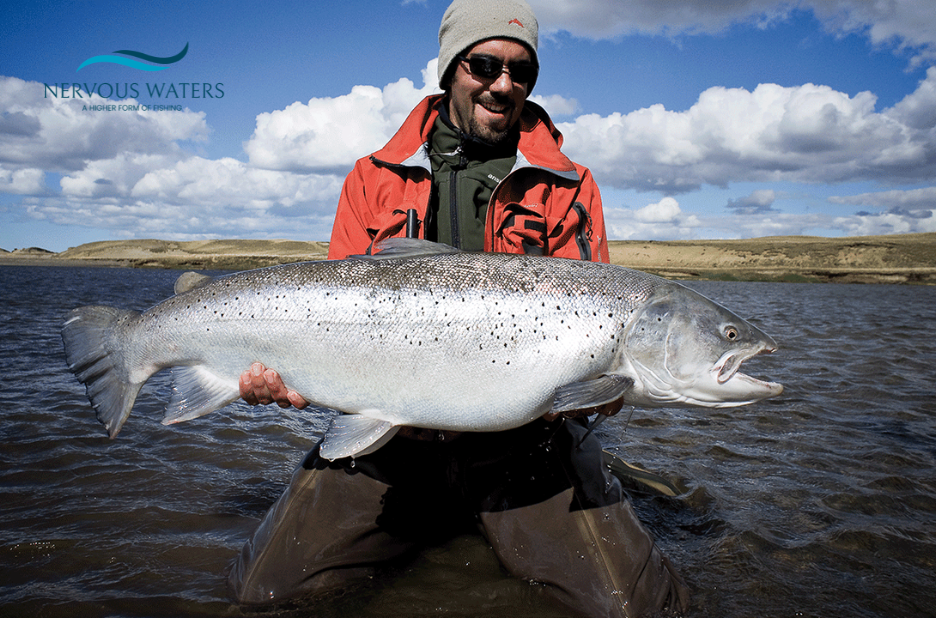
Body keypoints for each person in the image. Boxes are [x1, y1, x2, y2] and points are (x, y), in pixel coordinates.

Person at [231, 1, 689, 615]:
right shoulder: (371, 177)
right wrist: (282, 376)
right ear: (450, 69)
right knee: (263, 594)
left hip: (529, 445)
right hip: (389, 442)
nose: (504, 85)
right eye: (484, 64)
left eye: (521, 72)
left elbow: (597, 318)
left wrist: (607, 386)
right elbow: (330, 314)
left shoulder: (571, 185)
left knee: (638, 608)